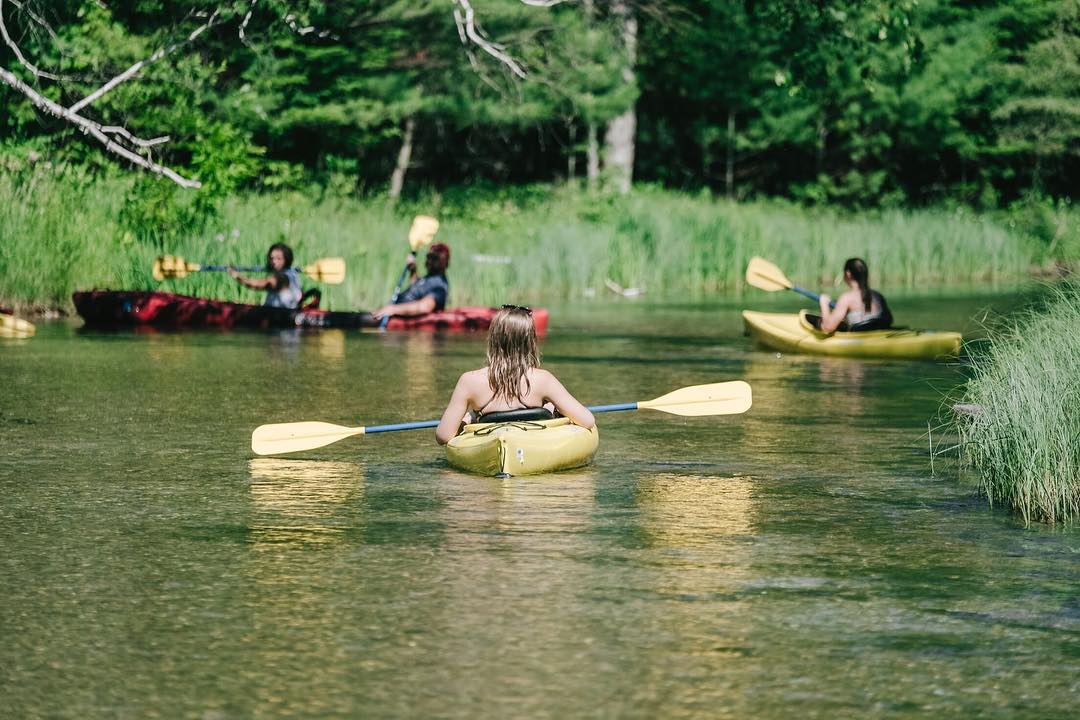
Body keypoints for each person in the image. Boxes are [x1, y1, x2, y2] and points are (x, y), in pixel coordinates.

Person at [435, 305, 595, 445]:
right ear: (530, 342)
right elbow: (588, 421)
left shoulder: (469, 381)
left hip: (489, 451)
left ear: (493, 339)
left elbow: (443, 436)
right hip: (532, 449)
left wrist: (470, 418)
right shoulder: (543, 379)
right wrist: (553, 409)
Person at [372, 242, 451, 320]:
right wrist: (413, 271)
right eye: (428, 257)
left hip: (397, 319)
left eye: (435, 258)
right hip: (392, 313)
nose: (429, 261)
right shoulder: (429, 278)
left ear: (446, 263)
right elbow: (415, 292)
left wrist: (393, 309)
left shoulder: (439, 286)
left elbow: (425, 307)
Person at [816, 257, 893, 333]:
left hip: (861, 338)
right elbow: (889, 320)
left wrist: (824, 304)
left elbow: (827, 328)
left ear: (848, 274)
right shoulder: (878, 296)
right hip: (880, 335)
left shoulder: (846, 298)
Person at [229, 242, 303, 309]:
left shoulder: (282, 278)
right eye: (271, 258)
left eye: (278, 258)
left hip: (281, 318)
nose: (274, 261)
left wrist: (236, 276)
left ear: (286, 260)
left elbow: (257, 285)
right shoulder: (292, 273)